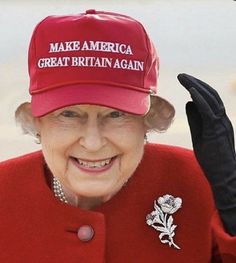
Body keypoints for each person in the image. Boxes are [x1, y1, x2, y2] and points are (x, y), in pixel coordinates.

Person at [0, 9, 235, 262]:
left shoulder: (202, 185)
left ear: (148, 120)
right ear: (37, 120)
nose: (92, 143)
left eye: (116, 115)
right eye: (68, 114)